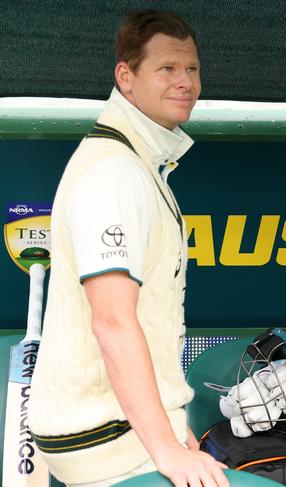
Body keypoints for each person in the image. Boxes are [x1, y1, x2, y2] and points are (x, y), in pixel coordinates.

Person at [29, 9, 230, 487]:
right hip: (105, 441)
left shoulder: (137, 163)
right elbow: (113, 321)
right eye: (167, 69)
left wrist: (174, 432)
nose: (185, 82)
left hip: (125, 432)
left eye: (192, 69)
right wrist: (164, 448)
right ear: (126, 76)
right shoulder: (114, 173)